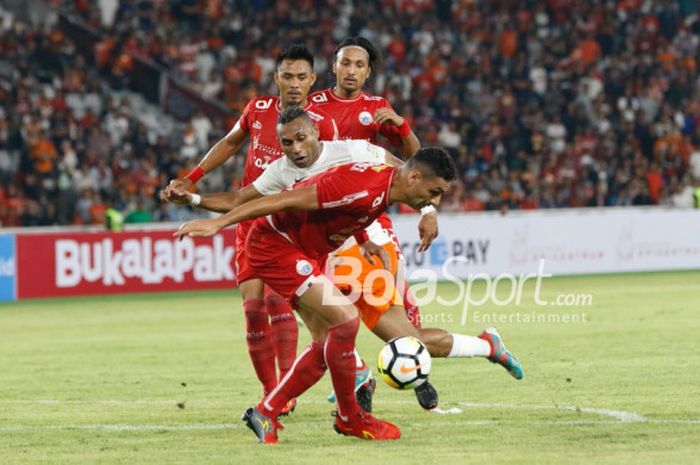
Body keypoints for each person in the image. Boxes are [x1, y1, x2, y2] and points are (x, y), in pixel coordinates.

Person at [172, 108, 523, 429]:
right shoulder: (293, 173)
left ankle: (288, 408)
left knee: (388, 338)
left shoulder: (361, 154)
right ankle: (346, 407)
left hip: (341, 253)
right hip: (293, 250)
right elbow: (264, 200)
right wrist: (201, 209)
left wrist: (408, 220)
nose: (295, 148)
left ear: (317, 132)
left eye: (301, 138)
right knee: (341, 326)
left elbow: (410, 164)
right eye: (286, 142)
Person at [161, 45, 337, 415]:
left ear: (312, 81)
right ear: (275, 77)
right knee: (254, 309)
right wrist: (192, 179)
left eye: (301, 77)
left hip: (289, 224)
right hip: (247, 217)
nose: (293, 84)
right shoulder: (257, 110)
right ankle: (270, 391)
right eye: (286, 76)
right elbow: (229, 143)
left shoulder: (322, 121)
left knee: (278, 301)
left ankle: (285, 392)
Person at [309, 36, 437, 407]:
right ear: (333, 67)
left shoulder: (377, 108)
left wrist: (401, 126)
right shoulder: (312, 105)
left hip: (372, 215)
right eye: (345, 63)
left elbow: (420, 164)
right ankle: (359, 376)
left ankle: (417, 372)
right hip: (326, 217)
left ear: (368, 72)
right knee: (326, 301)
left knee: (394, 298)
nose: (351, 71)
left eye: (359, 66)